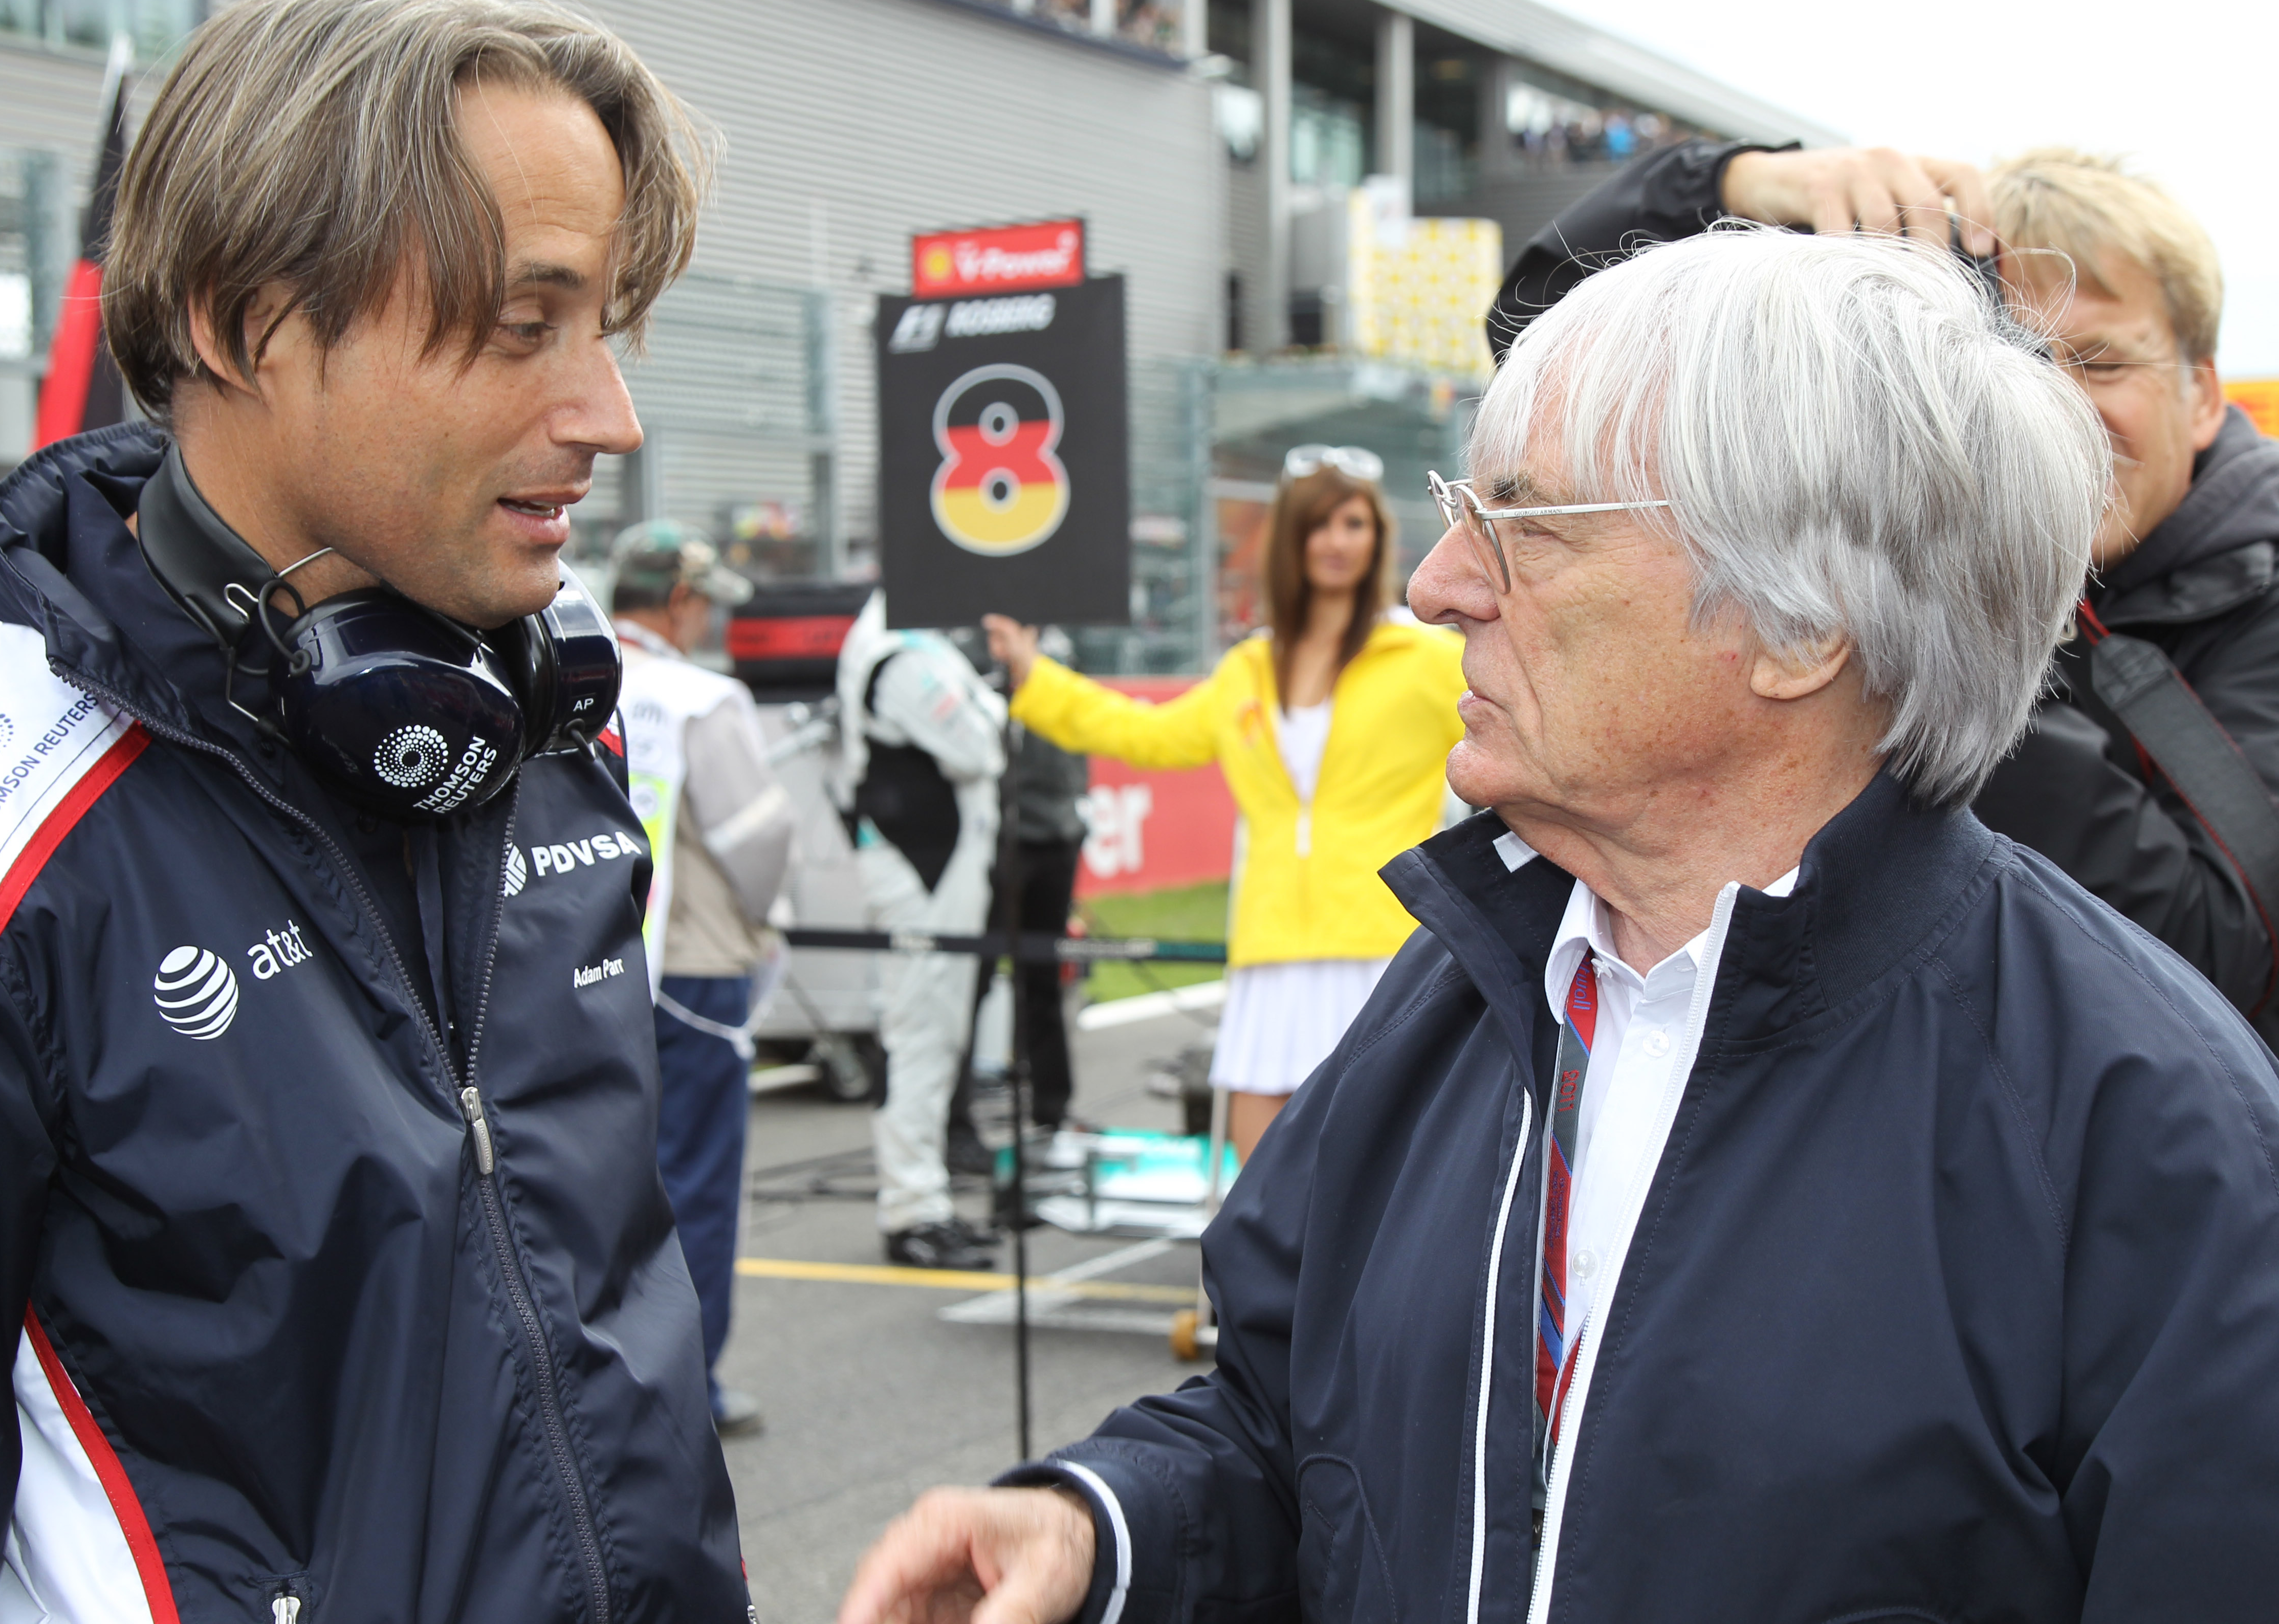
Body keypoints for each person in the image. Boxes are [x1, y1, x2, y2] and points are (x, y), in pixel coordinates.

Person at [841, 229, 2279, 1624]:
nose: (1437, 585)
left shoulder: (2155, 1138)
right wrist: (1103, 1530)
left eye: (1520, 525)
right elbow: (1285, 1433)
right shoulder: (1465, 985)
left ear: (1801, 626)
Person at [0, 0, 756, 1619]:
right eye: (528, 324)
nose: (610, 416)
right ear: (239, 318)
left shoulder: (548, 737)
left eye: (610, 327)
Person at [1493, 141, 2279, 1040]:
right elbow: (1551, 344)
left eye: (2099, 363)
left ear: (2206, 394)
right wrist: (1741, 186)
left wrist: (1965, 604)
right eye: (2009, 360)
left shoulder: (2259, 598)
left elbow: (2222, 946)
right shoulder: (1879, 519)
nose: (2052, 409)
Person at [984, 453, 1465, 1159]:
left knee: (1385, 1165)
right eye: (1319, 525)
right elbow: (1145, 734)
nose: (1337, 542)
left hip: (1385, 940)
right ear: (1290, 542)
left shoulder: (1427, 659)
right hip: (1271, 947)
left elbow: (1513, 734)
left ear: (1378, 537)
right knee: (1261, 1180)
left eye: (1354, 523)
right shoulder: (1249, 668)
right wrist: (1034, 678)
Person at [608, 518, 794, 1440]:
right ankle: (694, 1383)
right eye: (705, 600)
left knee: (600, 1182)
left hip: (592, 972)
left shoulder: (564, 664)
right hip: (695, 972)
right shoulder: (699, 697)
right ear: (678, 600)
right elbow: (757, 842)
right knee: (698, 1184)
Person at [836, 589, 1009, 1269]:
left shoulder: (918, 634)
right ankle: (912, 1211)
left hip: (932, 863)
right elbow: (981, 747)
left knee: (934, 1036)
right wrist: (986, 712)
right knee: (920, 1036)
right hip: (919, 869)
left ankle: (925, 1201)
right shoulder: (899, 649)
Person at [949, 628, 1089, 1174]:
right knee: (972, 984)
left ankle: (1052, 1111)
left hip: (1056, 834)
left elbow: (1078, 735)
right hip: (997, 840)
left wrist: (1076, 819)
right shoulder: (977, 649)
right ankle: (955, 1125)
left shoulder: (1059, 642)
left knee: (1044, 981)